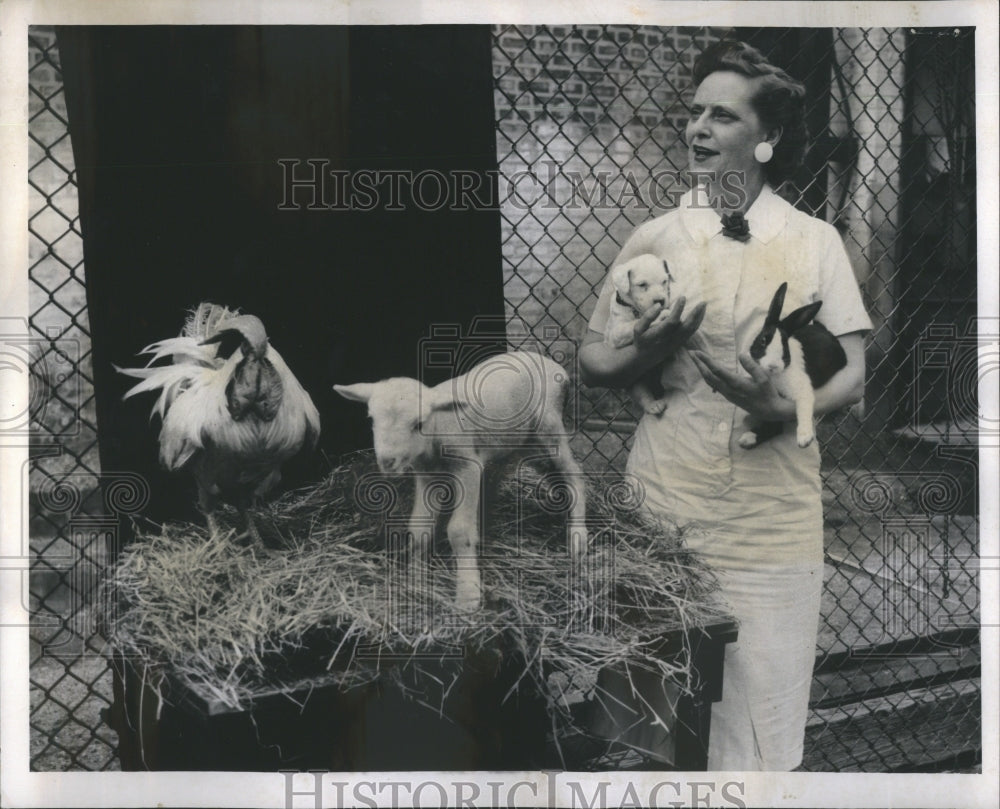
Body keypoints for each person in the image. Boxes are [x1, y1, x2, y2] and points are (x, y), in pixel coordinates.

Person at [580, 40, 872, 771]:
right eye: (694, 112)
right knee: (652, 713)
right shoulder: (656, 236)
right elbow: (594, 362)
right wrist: (660, 342)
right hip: (665, 502)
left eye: (722, 115)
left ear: (767, 139)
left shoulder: (815, 242)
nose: (698, 128)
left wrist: (779, 412)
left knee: (757, 721)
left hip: (770, 516)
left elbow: (853, 375)